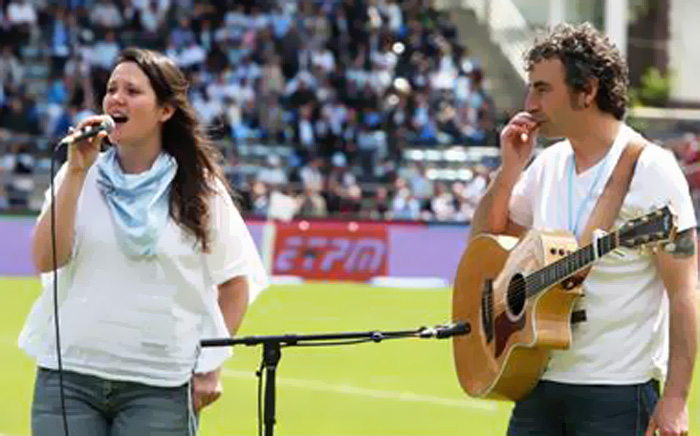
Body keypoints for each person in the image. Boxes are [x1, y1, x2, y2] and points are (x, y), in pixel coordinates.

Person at [19, 47, 268, 435]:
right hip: (69, 378)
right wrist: (76, 172)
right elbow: (46, 257)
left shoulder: (200, 190)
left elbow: (236, 282)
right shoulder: (79, 173)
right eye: (111, 88)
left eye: (133, 91)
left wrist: (210, 366)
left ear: (165, 111)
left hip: (160, 386)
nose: (116, 98)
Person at [469, 23, 697, 436]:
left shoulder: (652, 169)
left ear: (587, 90)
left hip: (617, 392)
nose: (529, 103)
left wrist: (676, 399)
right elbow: (484, 246)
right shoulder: (547, 164)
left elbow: (684, 291)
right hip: (536, 380)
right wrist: (509, 171)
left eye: (542, 89)